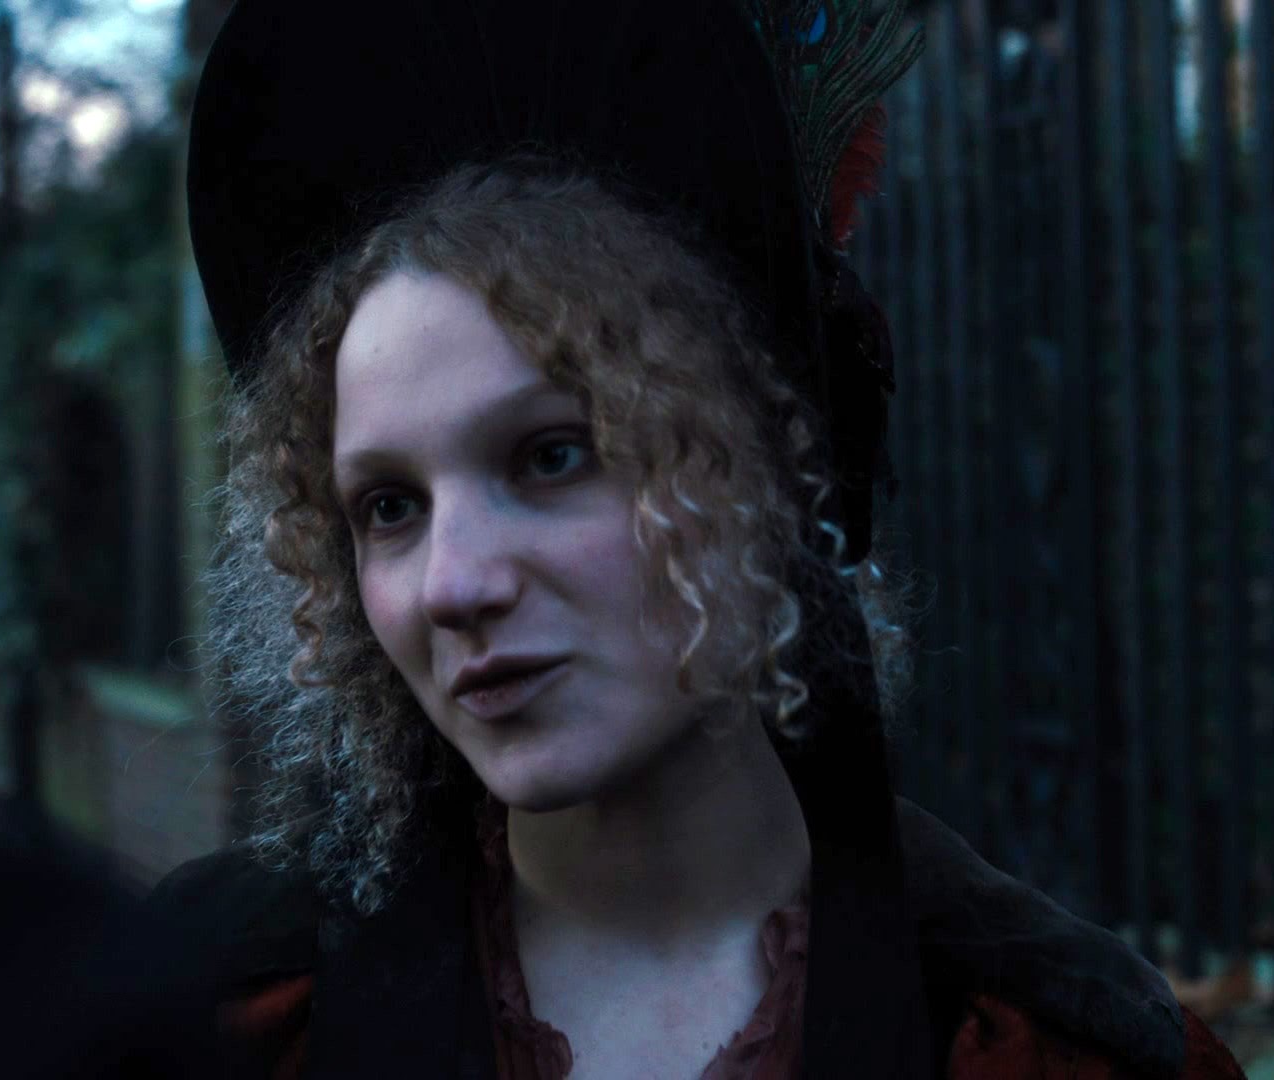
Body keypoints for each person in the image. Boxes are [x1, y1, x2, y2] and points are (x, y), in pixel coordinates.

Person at [152, 1, 1248, 1077]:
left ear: (755, 463)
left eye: (551, 456)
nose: (454, 583)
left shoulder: (1038, 1048)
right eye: (389, 507)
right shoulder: (211, 1023)